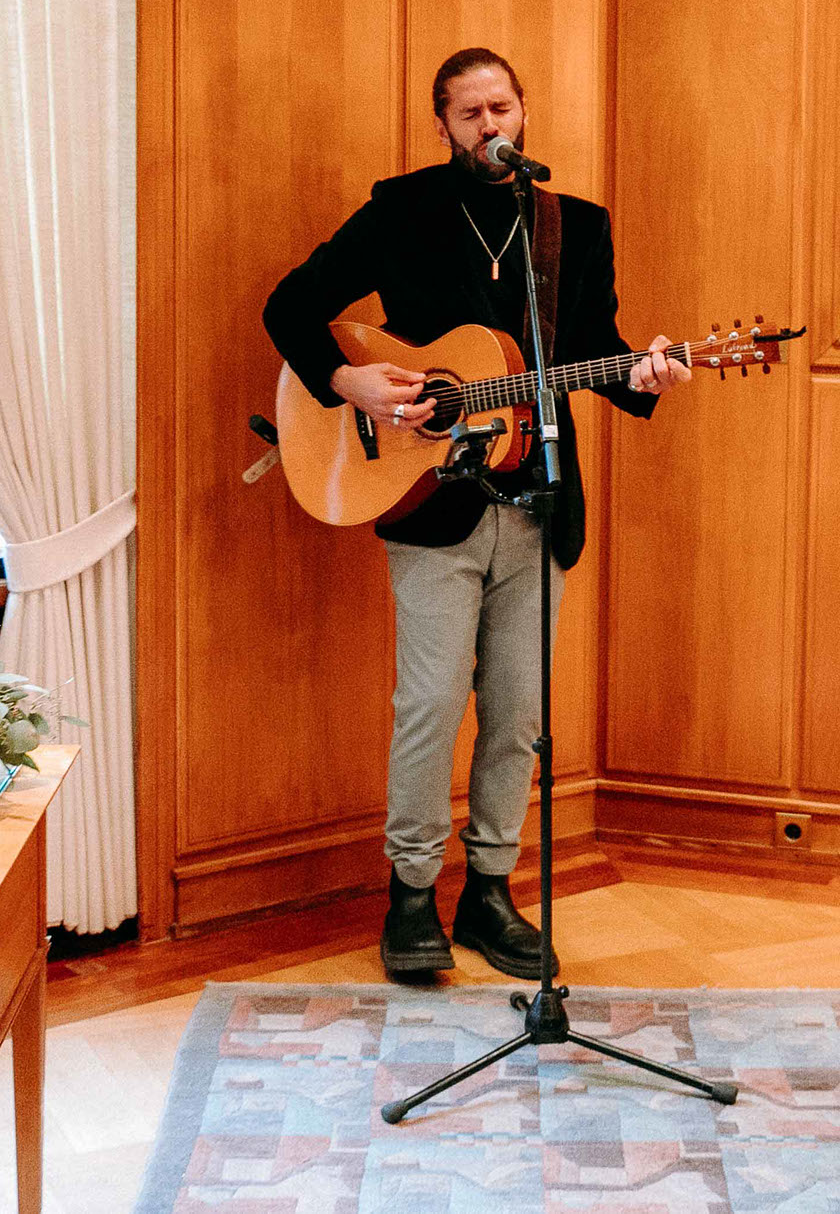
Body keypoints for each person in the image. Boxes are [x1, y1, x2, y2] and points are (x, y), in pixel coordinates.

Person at [262, 48, 689, 982]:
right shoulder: (404, 210)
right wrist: (346, 381)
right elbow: (291, 303)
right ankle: (410, 891)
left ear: (525, 113)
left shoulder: (573, 225)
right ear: (444, 125)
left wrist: (646, 372)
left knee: (517, 713)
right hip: (430, 503)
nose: (489, 126)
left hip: (537, 503)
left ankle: (490, 889)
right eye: (469, 113)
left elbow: (592, 348)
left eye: (502, 107)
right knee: (427, 705)